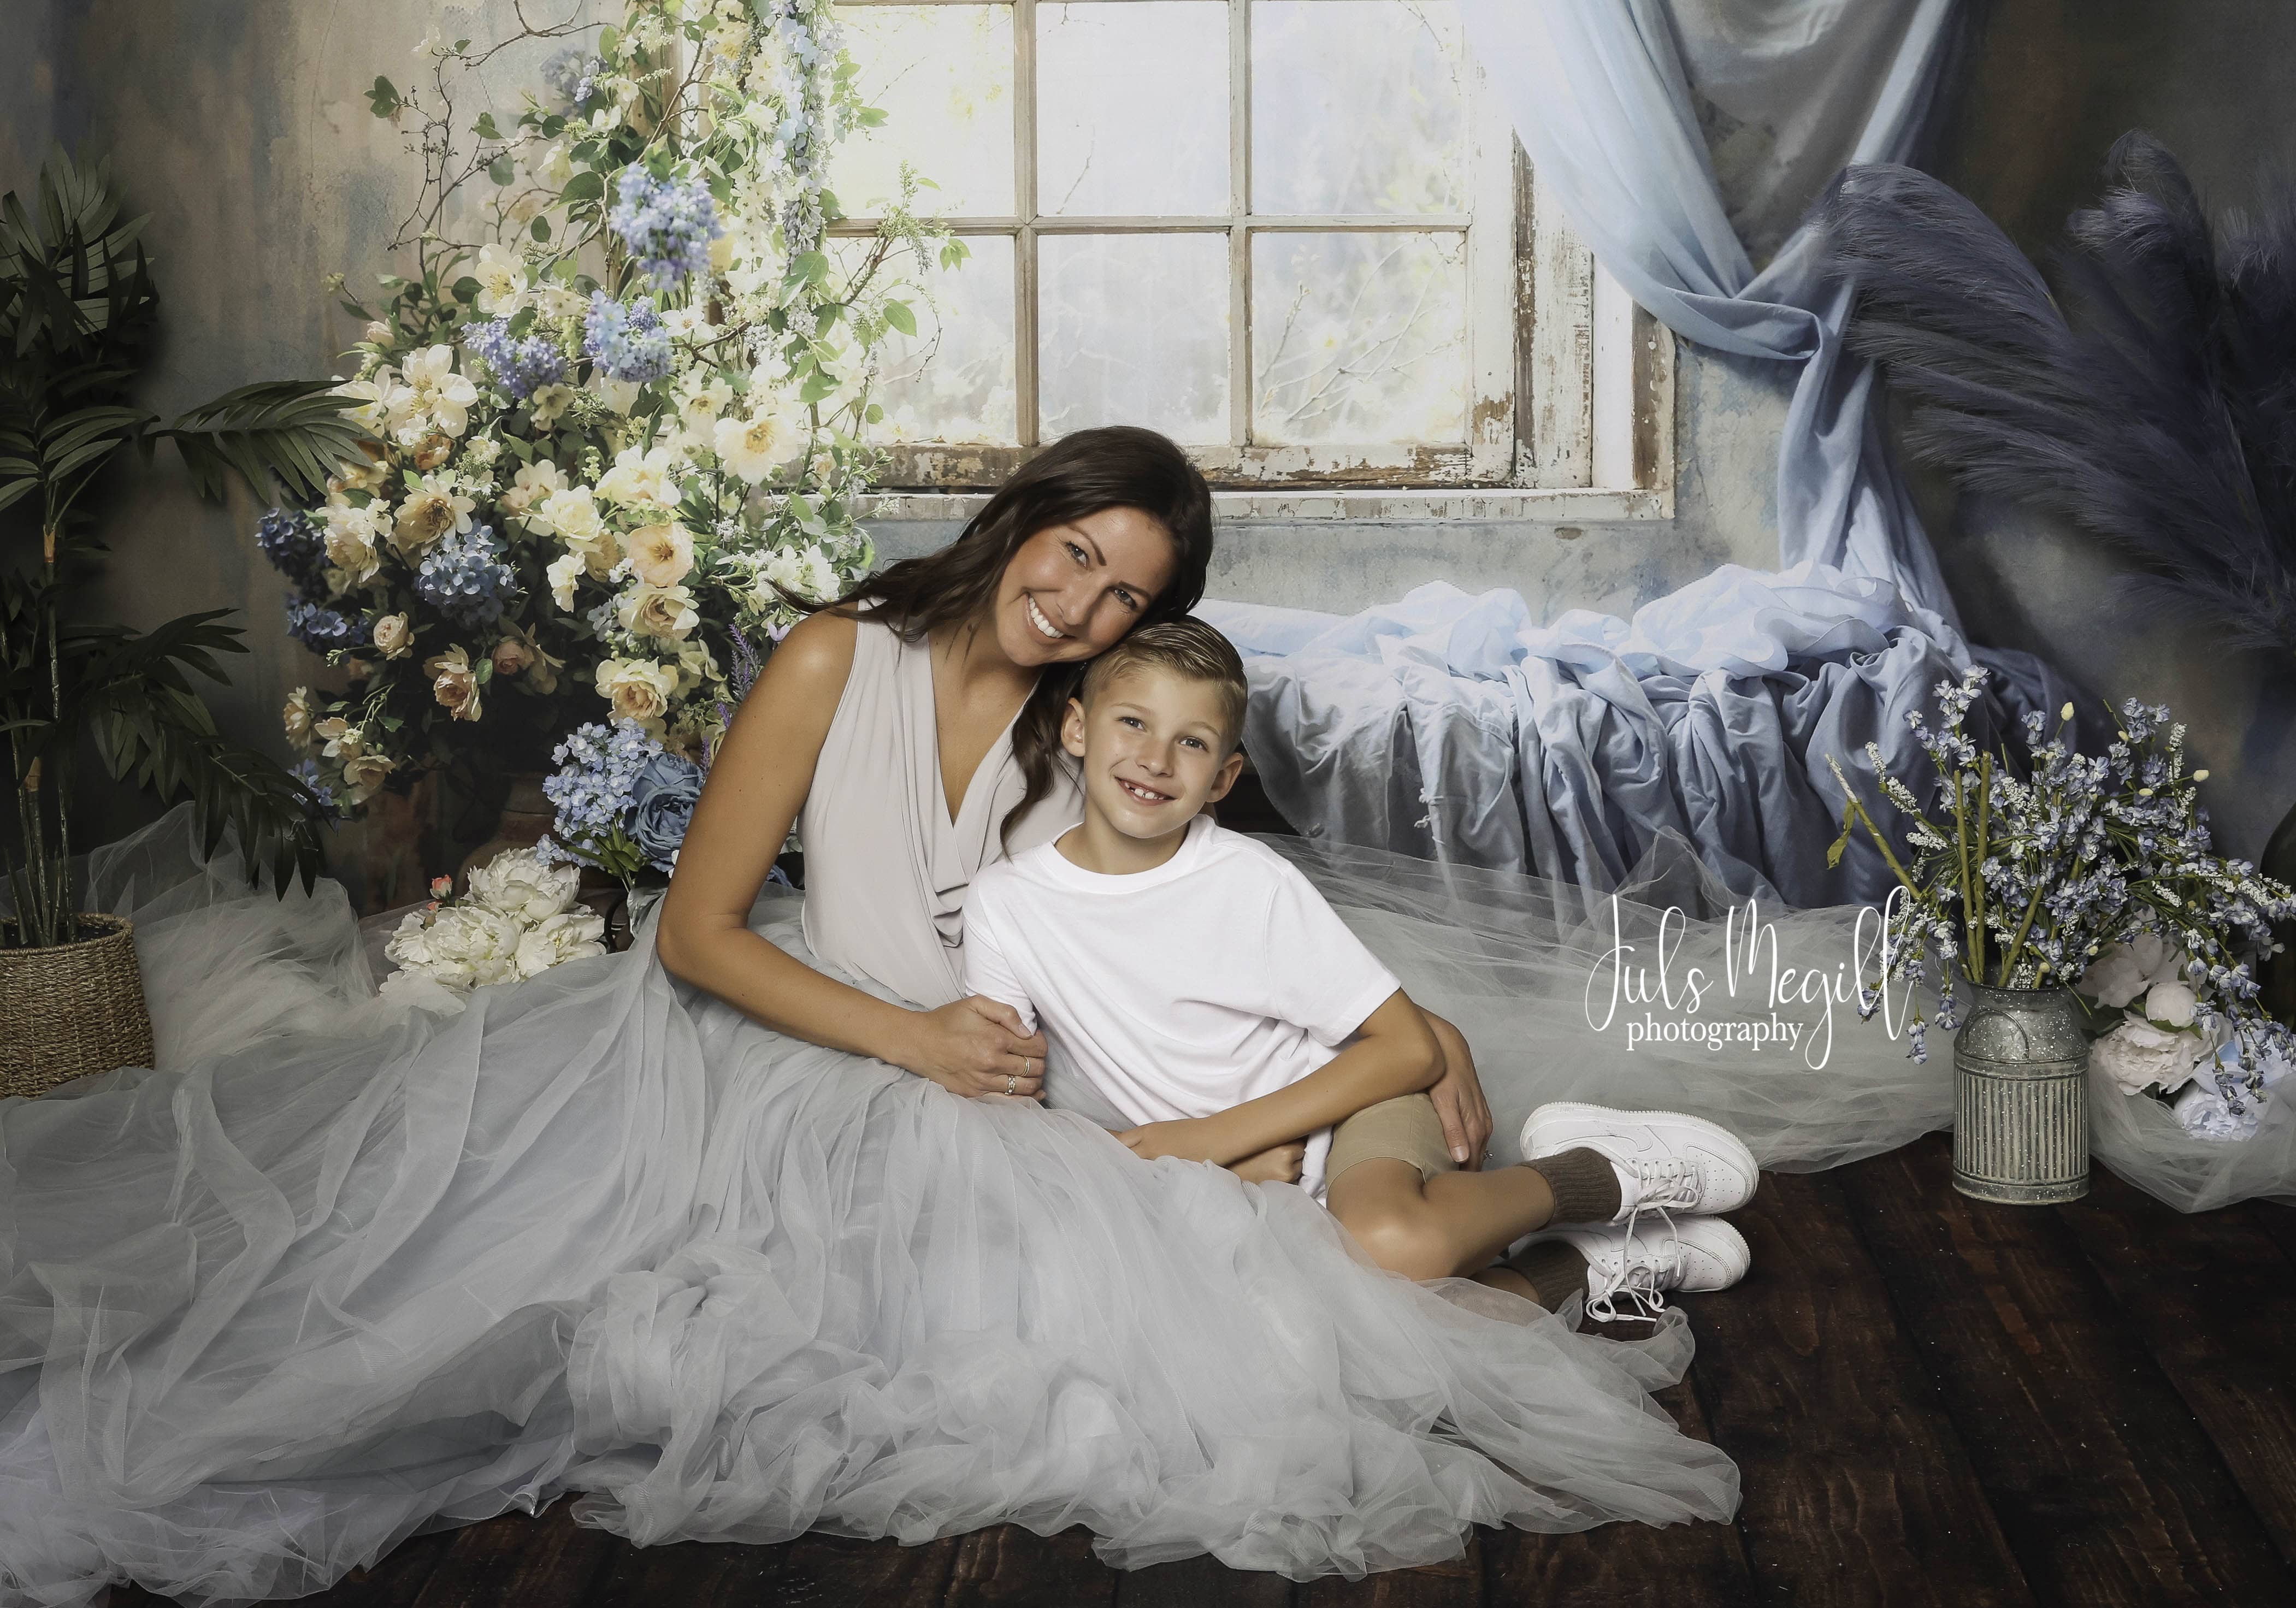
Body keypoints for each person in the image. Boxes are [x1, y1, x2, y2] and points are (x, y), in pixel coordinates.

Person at [0, 427, 1737, 1607]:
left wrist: (1419, 1021)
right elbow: (692, 929)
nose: (1080, 604)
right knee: (503, 1303)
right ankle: (1590, 1234)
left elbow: (1205, 888)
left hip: (1016, 1091)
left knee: (1229, 1334)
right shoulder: (839, 656)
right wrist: (909, 1044)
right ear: (1017, 521)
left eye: (1125, 592)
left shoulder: (1089, 727)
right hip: (818, 1046)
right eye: (1073, 556)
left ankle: (1590, 1227)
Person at [962, 617, 1756, 1323]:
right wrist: (1215, 1166)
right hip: (1233, 1172)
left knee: (1387, 1245)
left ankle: (1599, 1172)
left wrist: (1212, 1139)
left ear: (1223, 780)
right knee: (1341, 1335)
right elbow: (1007, 1104)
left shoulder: (1249, 881)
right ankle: (1584, 1267)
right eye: (1132, 722)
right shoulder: (1005, 904)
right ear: (1076, 728)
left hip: (1354, 1106)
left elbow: (1409, 1050)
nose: (1155, 758)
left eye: (1192, 742)